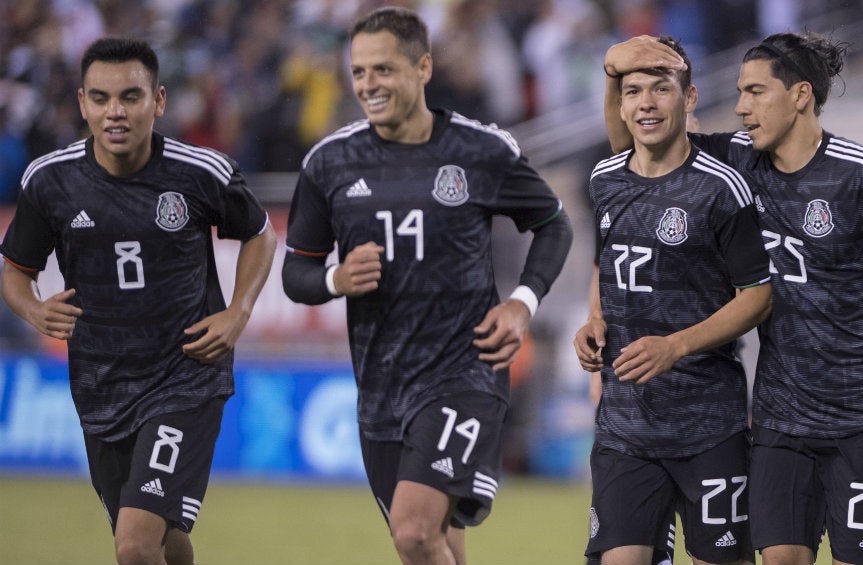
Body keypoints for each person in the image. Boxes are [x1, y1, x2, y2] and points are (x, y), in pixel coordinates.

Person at [603, 32, 863, 565]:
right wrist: (617, 74)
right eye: (740, 93)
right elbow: (635, 155)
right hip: (780, 420)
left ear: (800, 95)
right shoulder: (736, 161)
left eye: (756, 92)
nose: (742, 107)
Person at [280, 7, 572, 565]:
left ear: (423, 68)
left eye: (383, 70)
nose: (368, 84)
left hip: (466, 370)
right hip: (381, 384)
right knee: (436, 543)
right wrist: (335, 279)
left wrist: (521, 302)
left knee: (413, 533)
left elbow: (553, 224)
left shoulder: (481, 151)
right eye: (359, 71)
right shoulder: (329, 163)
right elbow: (297, 275)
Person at [0, 38, 276, 565]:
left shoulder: (199, 172)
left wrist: (238, 312)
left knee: (134, 544)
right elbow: (16, 273)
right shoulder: (50, 181)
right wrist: (34, 309)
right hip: (100, 384)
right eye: (101, 98)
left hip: (186, 376)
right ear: (82, 103)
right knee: (161, 543)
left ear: (160, 100)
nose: (116, 112)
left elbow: (260, 234)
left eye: (131, 96)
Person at [573, 35, 771, 565]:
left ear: (688, 99)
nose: (646, 103)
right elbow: (606, 265)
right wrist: (593, 320)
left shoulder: (723, 187)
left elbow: (758, 296)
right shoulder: (603, 180)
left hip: (709, 424)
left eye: (661, 89)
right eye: (633, 91)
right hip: (625, 425)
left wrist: (676, 346)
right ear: (620, 104)